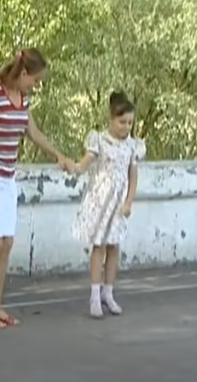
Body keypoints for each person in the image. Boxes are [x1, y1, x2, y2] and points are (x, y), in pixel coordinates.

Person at [0, 48, 74, 328]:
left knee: (6, 243)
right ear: (23, 73)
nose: (36, 85)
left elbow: (33, 133)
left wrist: (58, 155)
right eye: (35, 80)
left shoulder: (23, 101)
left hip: (7, 179)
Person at [72, 91, 141, 318]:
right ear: (111, 119)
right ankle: (94, 294)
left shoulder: (132, 146)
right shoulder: (100, 140)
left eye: (130, 122)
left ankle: (108, 292)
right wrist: (74, 167)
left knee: (114, 246)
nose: (126, 127)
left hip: (118, 203)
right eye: (122, 122)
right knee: (99, 246)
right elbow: (85, 163)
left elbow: (133, 176)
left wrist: (129, 201)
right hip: (100, 201)